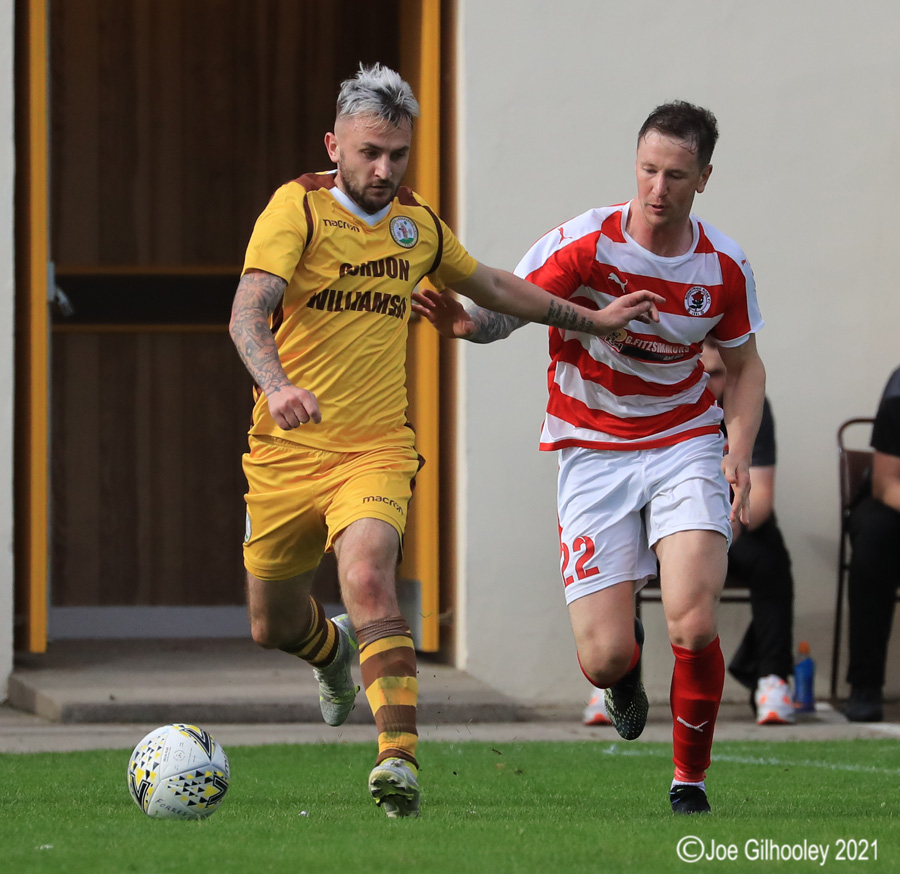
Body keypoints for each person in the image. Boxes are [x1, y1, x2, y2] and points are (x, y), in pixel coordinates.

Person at [229, 63, 664, 819]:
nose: (383, 169)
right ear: (334, 144)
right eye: (369, 152)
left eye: (397, 154)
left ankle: (397, 762)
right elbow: (247, 315)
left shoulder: (415, 225)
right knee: (272, 625)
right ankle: (331, 654)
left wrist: (595, 320)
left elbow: (494, 286)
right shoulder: (293, 211)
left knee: (367, 575)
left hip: (375, 450)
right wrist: (278, 386)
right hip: (284, 452)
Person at [413, 101, 766, 815]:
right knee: (603, 658)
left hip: (683, 441)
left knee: (694, 620)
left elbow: (746, 366)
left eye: (675, 174)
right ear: (633, 165)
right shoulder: (583, 244)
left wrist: (738, 448)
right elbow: (507, 305)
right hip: (593, 450)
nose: (657, 188)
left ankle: (688, 784)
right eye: (646, 170)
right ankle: (624, 667)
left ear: (703, 178)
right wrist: (467, 326)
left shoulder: (723, 266)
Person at [701, 340, 795, 725]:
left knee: (771, 555)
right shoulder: (667, 406)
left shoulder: (752, 409)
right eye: (703, 375)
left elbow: (762, 501)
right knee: (626, 549)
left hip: (736, 525)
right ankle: (617, 678)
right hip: (667, 531)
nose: (711, 383)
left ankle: (772, 678)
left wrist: (725, 527)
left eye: (719, 374)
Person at [844, 365, 900, 722]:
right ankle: (865, 684)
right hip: (893, 506)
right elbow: (887, 483)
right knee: (874, 540)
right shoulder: (899, 397)